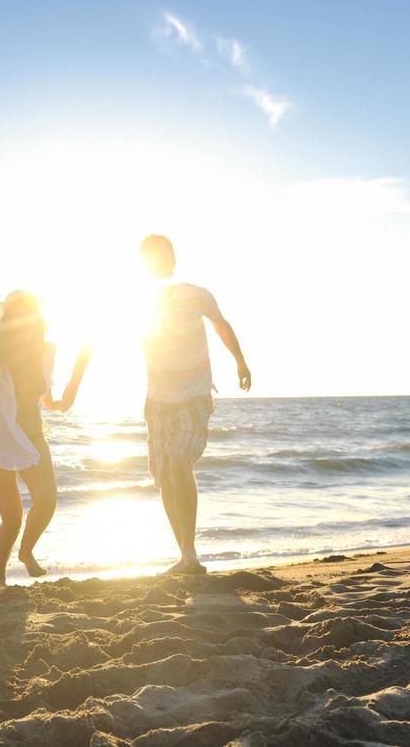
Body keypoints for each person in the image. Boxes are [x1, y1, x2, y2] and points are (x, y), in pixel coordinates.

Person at [138, 234, 251, 575]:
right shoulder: (138, 302)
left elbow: (221, 324)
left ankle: (190, 555)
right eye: (150, 258)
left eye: (162, 256)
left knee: (177, 461)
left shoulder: (196, 294)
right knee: (164, 479)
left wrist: (241, 362)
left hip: (194, 396)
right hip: (157, 401)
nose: (158, 262)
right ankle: (184, 553)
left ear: (173, 258)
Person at [0, 291, 91, 586]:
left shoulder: (47, 352)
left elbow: (50, 400)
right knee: (12, 518)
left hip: (33, 436)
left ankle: (26, 551)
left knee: (47, 501)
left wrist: (76, 375)